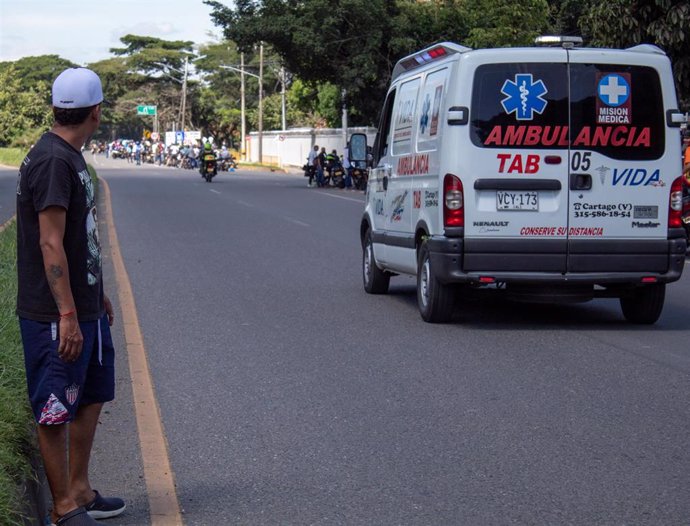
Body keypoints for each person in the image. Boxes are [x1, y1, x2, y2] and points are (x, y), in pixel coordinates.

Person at [16, 68, 125, 525]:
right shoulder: (53, 161)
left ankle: (79, 489)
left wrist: (93, 294)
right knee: (55, 407)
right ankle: (62, 507)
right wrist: (65, 313)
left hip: (83, 306)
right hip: (54, 313)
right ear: (96, 112)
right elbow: (50, 242)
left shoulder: (71, 155)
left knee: (92, 395)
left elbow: (80, 237)